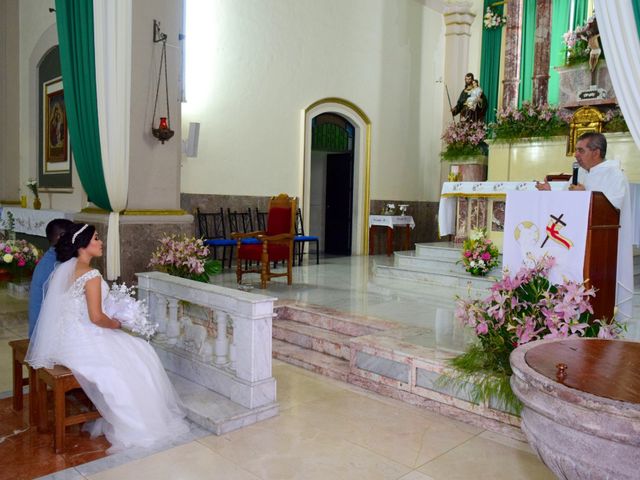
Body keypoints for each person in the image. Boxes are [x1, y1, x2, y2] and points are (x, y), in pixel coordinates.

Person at [25, 223, 189, 451]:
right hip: (82, 339)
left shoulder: (65, 269)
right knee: (141, 352)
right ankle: (139, 422)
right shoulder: (90, 275)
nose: (101, 242)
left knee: (134, 349)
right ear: (83, 245)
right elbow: (96, 318)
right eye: (96, 239)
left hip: (62, 341)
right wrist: (117, 323)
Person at [536, 132, 633, 320]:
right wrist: (549, 193)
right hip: (575, 246)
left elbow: (612, 209)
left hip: (599, 249)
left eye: (581, 150)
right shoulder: (579, 174)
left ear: (596, 152)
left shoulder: (615, 175)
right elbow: (564, 207)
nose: (576, 155)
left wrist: (586, 193)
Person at [28, 218, 74, 338]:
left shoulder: (54, 257)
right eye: (72, 236)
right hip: (43, 334)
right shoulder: (53, 264)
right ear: (61, 236)